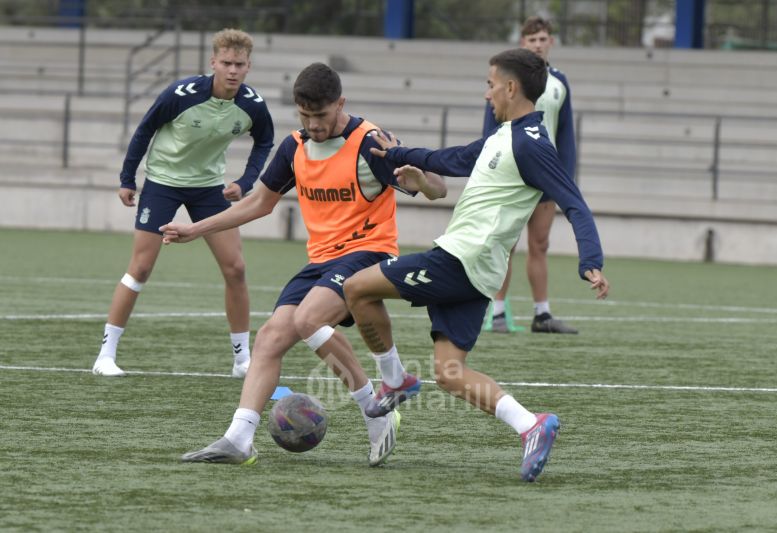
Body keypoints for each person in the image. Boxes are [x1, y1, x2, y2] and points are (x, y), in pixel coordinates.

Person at [160, 62, 447, 466]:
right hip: (322, 261)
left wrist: (423, 180)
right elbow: (259, 202)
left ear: (340, 104)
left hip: (369, 251)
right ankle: (239, 438)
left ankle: (383, 400)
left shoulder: (370, 142)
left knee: (308, 319)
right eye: (305, 116)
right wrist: (196, 228)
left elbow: (438, 188)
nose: (313, 124)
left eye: (321, 116)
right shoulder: (295, 146)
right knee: (271, 338)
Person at [343, 48, 609, 482]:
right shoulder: (504, 136)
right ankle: (531, 425)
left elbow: (574, 203)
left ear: (510, 87)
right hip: (479, 272)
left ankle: (393, 380)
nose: (486, 94)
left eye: (490, 85)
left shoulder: (531, 144)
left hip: (460, 259)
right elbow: (452, 160)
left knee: (356, 288)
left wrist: (590, 262)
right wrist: (398, 154)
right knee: (449, 373)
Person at [91, 29, 274, 378]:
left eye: (239, 64)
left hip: (209, 190)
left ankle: (242, 361)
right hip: (163, 184)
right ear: (213, 63)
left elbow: (265, 141)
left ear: (248, 66)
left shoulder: (253, 104)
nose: (232, 70)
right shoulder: (181, 94)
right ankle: (105, 355)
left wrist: (245, 182)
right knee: (141, 268)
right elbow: (145, 129)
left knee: (235, 268)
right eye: (226, 63)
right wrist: (127, 179)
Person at [483, 16, 579, 334]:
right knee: (505, 244)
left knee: (540, 244)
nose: (538, 44)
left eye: (543, 39)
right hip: (511, 174)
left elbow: (565, 133)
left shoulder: (560, 82)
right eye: (532, 39)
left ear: (551, 42)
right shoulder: (508, 79)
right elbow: (490, 126)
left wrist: (565, 177)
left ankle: (542, 314)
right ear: (523, 44)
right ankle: (497, 313)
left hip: (544, 176)